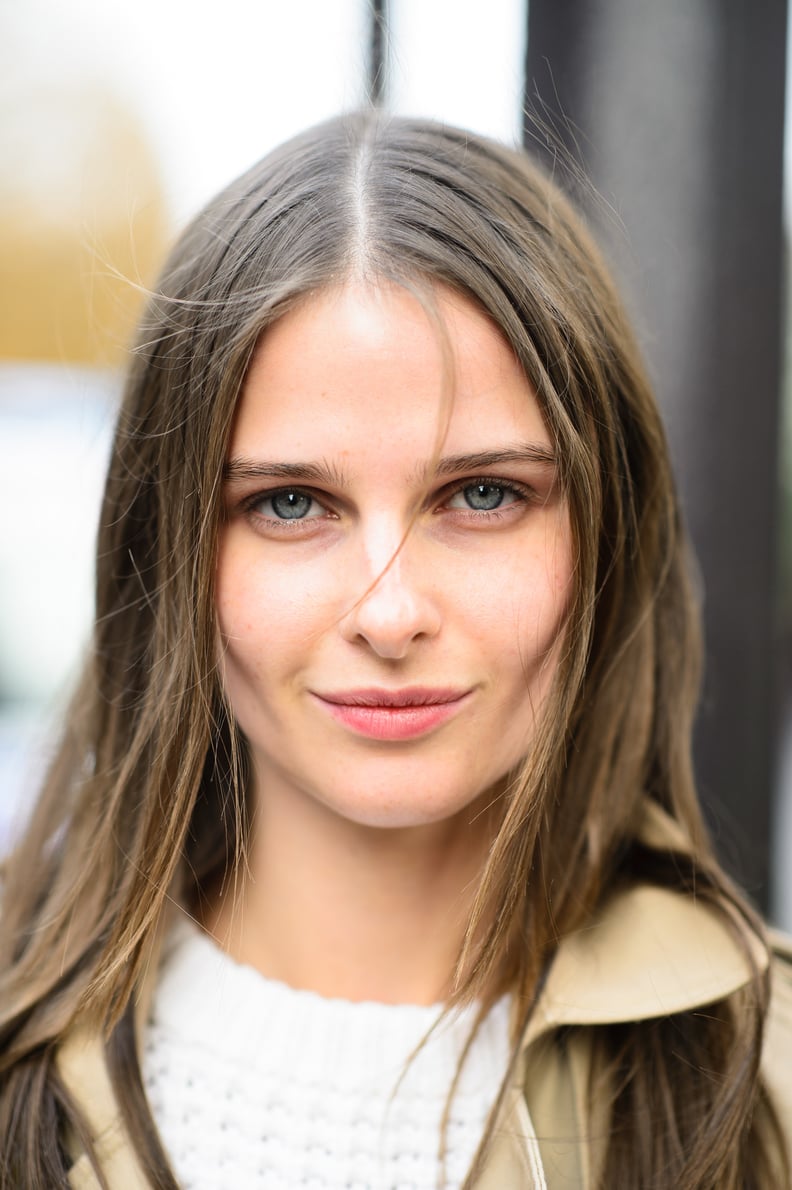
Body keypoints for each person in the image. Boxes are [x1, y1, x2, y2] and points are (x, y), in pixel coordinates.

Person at [1, 110, 790, 1190]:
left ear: (606, 531)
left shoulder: (768, 1081)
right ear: (170, 551)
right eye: (290, 502)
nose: (389, 612)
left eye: (482, 493)